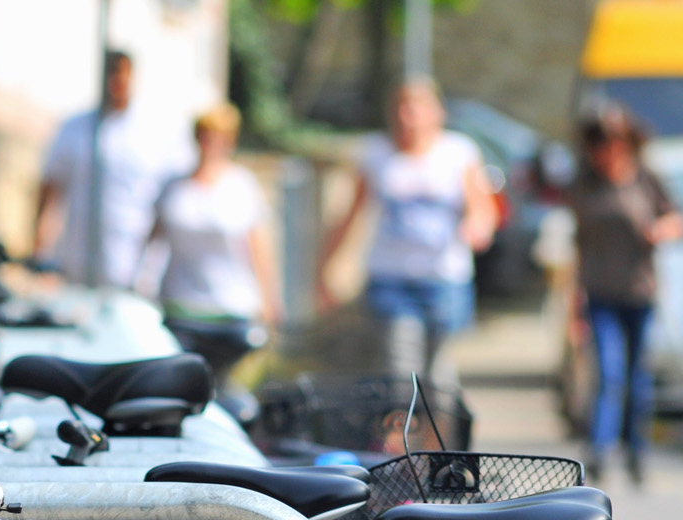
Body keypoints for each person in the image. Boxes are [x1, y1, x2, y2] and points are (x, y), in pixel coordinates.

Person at [319, 77, 499, 378]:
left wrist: (477, 227)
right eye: (401, 109)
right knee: (399, 368)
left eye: (416, 109)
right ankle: (399, 424)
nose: (408, 118)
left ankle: (434, 425)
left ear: (436, 113)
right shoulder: (375, 153)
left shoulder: (458, 153)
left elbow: (482, 207)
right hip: (391, 278)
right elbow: (349, 214)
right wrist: (324, 269)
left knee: (437, 374)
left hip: (443, 278)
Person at [567, 104, 683, 484]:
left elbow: (679, 219)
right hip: (600, 291)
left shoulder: (646, 178)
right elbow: (577, 244)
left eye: (614, 142)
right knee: (609, 372)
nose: (607, 151)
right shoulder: (585, 184)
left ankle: (636, 450)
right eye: (600, 143)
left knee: (637, 376)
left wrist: (660, 230)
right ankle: (601, 449)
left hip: (640, 291)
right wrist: (573, 301)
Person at [144, 103, 282, 388]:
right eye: (207, 135)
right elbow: (151, 241)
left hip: (231, 307)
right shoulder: (174, 186)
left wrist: (270, 301)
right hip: (180, 304)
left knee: (229, 386)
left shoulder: (241, 185)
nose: (213, 143)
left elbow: (258, 247)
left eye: (221, 136)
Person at [33, 51, 189, 289]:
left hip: (137, 271)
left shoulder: (159, 131)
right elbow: (50, 191)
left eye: (123, 74)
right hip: (78, 267)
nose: (117, 83)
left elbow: (173, 200)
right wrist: (40, 254)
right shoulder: (75, 128)